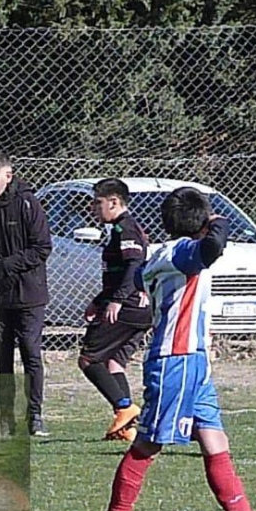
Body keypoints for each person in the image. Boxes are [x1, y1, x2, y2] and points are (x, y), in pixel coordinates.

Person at [93, 187, 256, 511]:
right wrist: (218, 222)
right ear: (198, 223)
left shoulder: (162, 255)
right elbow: (212, 248)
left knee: (216, 441)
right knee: (148, 443)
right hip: (177, 359)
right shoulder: (180, 251)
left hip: (193, 360)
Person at [78, 178, 152, 442]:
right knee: (113, 363)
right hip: (136, 308)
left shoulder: (126, 229)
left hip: (128, 307)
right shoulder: (120, 229)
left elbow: (134, 267)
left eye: (98, 203)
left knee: (89, 359)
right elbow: (120, 272)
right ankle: (128, 428)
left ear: (114, 202)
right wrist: (99, 300)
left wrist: (117, 300)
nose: (94, 209)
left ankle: (124, 407)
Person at [0, 150, 53, 436]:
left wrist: (6, 266)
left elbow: (42, 248)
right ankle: (4, 418)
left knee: (30, 353)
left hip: (28, 295)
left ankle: (35, 415)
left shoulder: (28, 203)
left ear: (7, 175)